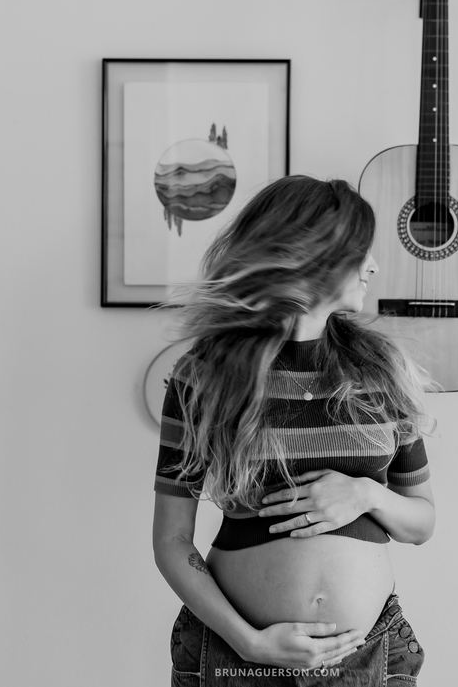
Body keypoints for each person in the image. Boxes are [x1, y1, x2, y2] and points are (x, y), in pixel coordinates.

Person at [152, 175, 436, 686]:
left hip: (366, 658)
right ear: (315, 254)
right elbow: (172, 539)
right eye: (361, 251)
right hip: (234, 657)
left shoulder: (384, 372)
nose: (372, 265)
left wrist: (366, 494)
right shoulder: (204, 378)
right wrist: (249, 641)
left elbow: (421, 523)